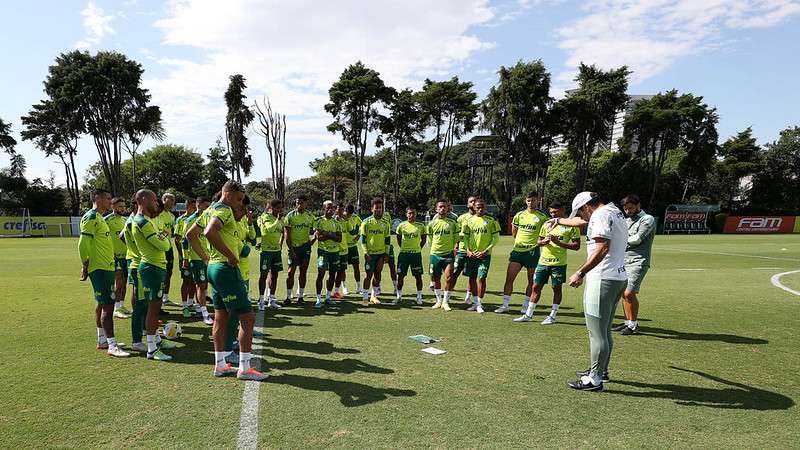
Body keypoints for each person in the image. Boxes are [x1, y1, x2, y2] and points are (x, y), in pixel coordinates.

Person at [556, 192, 628, 391]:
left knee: (596, 333)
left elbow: (603, 247)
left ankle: (594, 379)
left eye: (581, 212)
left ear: (587, 206)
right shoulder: (614, 211)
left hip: (602, 279)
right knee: (604, 331)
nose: (583, 218)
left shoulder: (599, 215)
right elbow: (581, 222)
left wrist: (581, 272)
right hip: (617, 278)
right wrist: (559, 220)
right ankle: (600, 370)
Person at [203, 181, 268, 381]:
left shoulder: (209, 209)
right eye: (239, 199)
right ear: (228, 193)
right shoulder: (223, 210)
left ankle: (220, 365)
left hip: (213, 267)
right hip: (224, 267)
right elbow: (209, 232)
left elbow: (193, 234)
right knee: (247, 318)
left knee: (221, 317)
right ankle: (244, 368)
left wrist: (207, 258)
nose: (240, 204)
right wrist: (230, 255)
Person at [78, 189, 129, 358]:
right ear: (97, 199)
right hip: (99, 268)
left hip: (107, 267)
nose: (110, 201)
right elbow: (83, 243)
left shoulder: (99, 217)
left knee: (101, 304)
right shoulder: (91, 217)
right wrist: (85, 265)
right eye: (107, 198)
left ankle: (102, 340)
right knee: (108, 305)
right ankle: (112, 345)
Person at [514, 201, 580, 324]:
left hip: (558, 264)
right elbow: (539, 241)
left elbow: (577, 246)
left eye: (555, 212)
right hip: (543, 262)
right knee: (535, 287)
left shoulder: (571, 226)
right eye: (551, 212)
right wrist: (542, 242)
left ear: (562, 211)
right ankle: (528, 314)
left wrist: (558, 242)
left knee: (556, 288)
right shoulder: (546, 224)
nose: (553, 215)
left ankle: (552, 316)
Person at [131, 189, 175, 361]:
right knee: (153, 308)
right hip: (151, 267)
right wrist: (164, 238)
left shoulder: (149, 220)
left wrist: (163, 237)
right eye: (154, 200)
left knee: (154, 308)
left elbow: (164, 240)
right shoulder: (142, 222)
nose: (157, 203)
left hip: (156, 266)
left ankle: (156, 340)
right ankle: (151, 349)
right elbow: (164, 245)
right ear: (143, 199)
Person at [496, 192, 548, 313]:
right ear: (526, 201)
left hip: (532, 252)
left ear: (538, 201)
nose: (531, 203)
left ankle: (525, 306)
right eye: (529, 200)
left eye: (534, 200)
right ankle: (505, 305)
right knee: (509, 278)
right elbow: (514, 231)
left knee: (531, 281)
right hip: (517, 252)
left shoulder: (542, 216)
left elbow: (547, 232)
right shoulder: (519, 215)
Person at [613, 194, 656, 336]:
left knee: (629, 292)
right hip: (623, 260)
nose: (628, 211)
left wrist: (617, 242)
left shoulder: (647, 219)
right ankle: (628, 322)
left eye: (630, 208)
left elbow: (637, 239)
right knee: (623, 293)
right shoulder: (627, 220)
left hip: (638, 261)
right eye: (625, 209)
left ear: (638, 205)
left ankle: (633, 325)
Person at [460, 199, 501, 314]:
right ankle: (474, 302)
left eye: (482, 207)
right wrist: (468, 250)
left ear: (486, 208)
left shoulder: (491, 221)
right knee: (472, 278)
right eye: (478, 207)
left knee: (481, 278)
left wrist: (487, 250)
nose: (480, 209)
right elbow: (466, 238)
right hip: (471, 255)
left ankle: (479, 303)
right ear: (474, 207)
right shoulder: (468, 221)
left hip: (485, 255)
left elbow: (496, 238)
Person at [184, 197, 214, 324]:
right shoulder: (190, 220)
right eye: (206, 205)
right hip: (196, 258)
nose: (208, 208)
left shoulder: (209, 219)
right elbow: (185, 241)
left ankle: (200, 307)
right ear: (199, 205)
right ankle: (204, 312)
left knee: (205, 284)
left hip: (210, 257)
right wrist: (185, 258)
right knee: (201, 285)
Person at [427, 200, 460, 311]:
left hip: (448, 254)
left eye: (444, 207)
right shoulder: (432, 223)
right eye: (440, 207)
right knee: (436, 279)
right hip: (435, 254)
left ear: (447, 208)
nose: (442, 209)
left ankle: (445, 302)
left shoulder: (452, 223)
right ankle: (438, 300)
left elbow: (456, 237)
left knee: (449, 278)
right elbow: (431, 238)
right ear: (436, 209)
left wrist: (453, 247)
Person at [283, 196, 316, 305]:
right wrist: (291, 250)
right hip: (294, 248)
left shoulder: (310, 216)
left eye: (301, 203)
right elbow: (287, 235)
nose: (299, 205)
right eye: (297, 203)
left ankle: (301, 296)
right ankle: (288, 297)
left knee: (303, 272)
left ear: (306, 203)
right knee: (290, 273)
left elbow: (313, 230)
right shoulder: (290, 216)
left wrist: (313, 241)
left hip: (305, 248)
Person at [360, 198, 391, 305]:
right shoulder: (366, 222)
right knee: (368, 275)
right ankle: (365, 297)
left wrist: (386, 253)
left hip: (381, 254)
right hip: (370, 254)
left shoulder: (386, 223)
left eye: (380, 208)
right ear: (371, 209)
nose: (378, 210)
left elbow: (387, 239)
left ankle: (374, 296)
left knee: (378, 274)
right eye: (376, 208)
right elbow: (363, 239)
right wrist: (365, 252)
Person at [394, 206, 427, 305]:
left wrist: (418, 248)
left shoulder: (421, 226)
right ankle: (399, 296)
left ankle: (419, 296)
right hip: (403, 254)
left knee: (418, 276)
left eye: (413, 213)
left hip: (416, 255)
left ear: (416, 214)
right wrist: (404, 248)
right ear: (406, 214)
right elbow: (398, 239)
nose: (411, 215)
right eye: (409, 213)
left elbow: (424, 240)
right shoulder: (401, 225)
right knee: (400, 276)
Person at [104, 197, 131, 319]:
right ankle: (116, 308)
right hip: (114, 257)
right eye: (120, 206)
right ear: (113, 207)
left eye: (124, 206)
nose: (123, 208)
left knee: (124, 282)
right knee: (119, 282)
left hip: (127, 256)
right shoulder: (107, 220)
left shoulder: (126, 219)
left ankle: (121, 305)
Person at [256, 199, 285, 310]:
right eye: (277, 208)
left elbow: (283, 231)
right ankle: (261, 300)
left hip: (276, 252)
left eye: (281, 208)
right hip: (266, 252)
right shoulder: (265, 218)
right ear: (271, 208)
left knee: (275, 275)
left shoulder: (281, 219)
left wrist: (281, 243)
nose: (280, 210)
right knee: (263, 275)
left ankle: (272, 299)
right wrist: (277, 219)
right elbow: (268, 230)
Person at [313, 200, 342, 308]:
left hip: (335, 252)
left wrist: (327, 234)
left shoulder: (337, 222)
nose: (330, 210)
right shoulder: (319, 221)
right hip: (323, 251)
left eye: (332, 208)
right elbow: (319, 238)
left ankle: (328, 297)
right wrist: (332, 235)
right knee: (321, 272)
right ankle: (318, 299)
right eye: (328, 208)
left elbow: (339, 239)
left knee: (332, 275)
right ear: (323, 209)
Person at [175, 198, 197, 315]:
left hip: (196, 256)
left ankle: (190, 302)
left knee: (194, 281)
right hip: (185, 257)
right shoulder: (181, 220)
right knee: (186, 280)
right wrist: (182, 256)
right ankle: (184, 306)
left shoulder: (197, 218)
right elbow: (178, 240)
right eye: (194, 207)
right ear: (188, 207)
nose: (196, 210)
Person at [454, 196, 477, 304]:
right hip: (462, 250)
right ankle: (447, 296)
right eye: (471, 201)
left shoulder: (481, 218)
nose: (473, 203)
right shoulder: (461, 218)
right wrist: (456, 245)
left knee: (472, 275)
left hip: (474, 251)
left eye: (475, 201)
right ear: (467, 204)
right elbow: (457, 233)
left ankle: (468, 297)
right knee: (454, 273)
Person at [158, 193, 178, 307]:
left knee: (169, 273)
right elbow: (158, 231)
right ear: (164, 200)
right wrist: (163, 236)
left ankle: (165, 297)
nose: (173, 203)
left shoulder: (171, 216)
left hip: (169, 248)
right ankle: (158, 298)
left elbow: (171, 231)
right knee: (161, 273)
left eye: (174, 201)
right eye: (171, 200)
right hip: (160, 248)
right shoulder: (157, 214)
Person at [344, 204, 363, 295]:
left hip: (353, 246)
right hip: (343, 247)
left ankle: (358, 287)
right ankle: (344, 287)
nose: (349, 215)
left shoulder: (356, 218)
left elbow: (362, 227)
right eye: (348, 213)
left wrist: (358, 236)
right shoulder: (341, 217)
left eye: (350, 214)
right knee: (342, 268)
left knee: (356, 266)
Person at [332, 202, 349, 299]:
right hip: (335, 250)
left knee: (341, 271)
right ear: (335, 210)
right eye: (339, 209)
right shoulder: (332, 220)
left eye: (342, 210)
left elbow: (351, 231)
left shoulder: (344, 221)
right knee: (332, 272)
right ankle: (328, 292)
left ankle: (337, 291)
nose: (341, 211)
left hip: (344, 250)